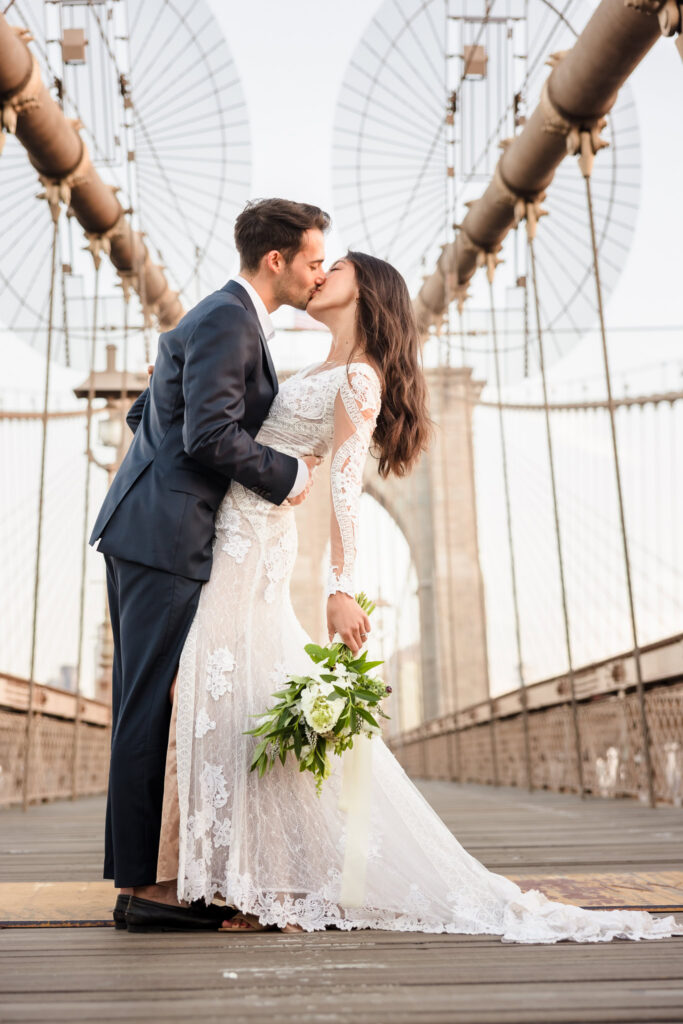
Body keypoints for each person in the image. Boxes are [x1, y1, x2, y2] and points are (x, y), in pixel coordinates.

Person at [147, 250, 682, 943]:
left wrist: (341, 590)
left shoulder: (360, 380)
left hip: (254, 550)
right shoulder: (308, 366)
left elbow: (344, 489)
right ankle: (245, 880)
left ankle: (258, 885)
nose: (316, 275)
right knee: (224, 694)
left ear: (364, 292)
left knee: (213, 691)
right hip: (237, 536)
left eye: (331, 268)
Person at [90, 198, 330, 932]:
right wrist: (288, 477)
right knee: (149, 703)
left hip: (152, 526)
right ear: (276, 261)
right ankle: (145, 893)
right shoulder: (230, 319)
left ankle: (152, 883)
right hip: (165, 538)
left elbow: (148, 416)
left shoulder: (217, 317)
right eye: (314, 261)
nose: (320, 276)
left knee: (152, 700)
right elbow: (208, 434)